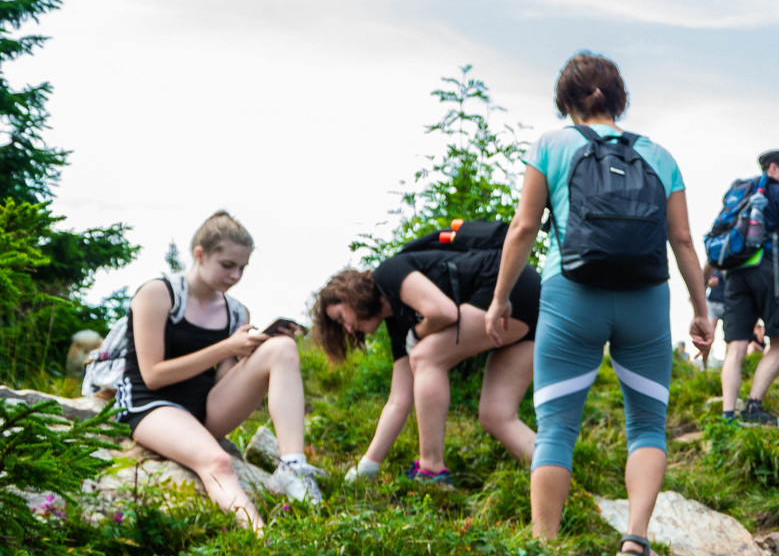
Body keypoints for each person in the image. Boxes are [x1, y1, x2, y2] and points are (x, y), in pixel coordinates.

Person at [488, 52, 715, 556]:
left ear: (566, 100)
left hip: (572, 294)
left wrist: (501, 298)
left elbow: (523, 228)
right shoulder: (660, 156)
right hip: (647, 300)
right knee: (648, 424)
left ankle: (543, 548)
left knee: (557, 426)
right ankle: (635, 537)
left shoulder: (551, 144)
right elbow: (681, 240)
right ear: (619, 99)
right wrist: (701, 312)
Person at [114, 211, 326, 528]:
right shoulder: (158, 294)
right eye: (228, 265)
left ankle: (292, 468)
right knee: (218, 461)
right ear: (199, 254)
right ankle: (262, 540)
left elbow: (225, 380)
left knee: (281, 348)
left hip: (205, 408)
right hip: (151, 404)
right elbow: (153, 375)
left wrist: (249, 354)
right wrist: (226, 347)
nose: (235, 275)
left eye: (242, 268)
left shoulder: (236, 311)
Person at [310, 232, 539, 484]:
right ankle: (564, 483)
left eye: (342, 318)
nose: (349, 329)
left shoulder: (389, 273)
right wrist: (367, 465)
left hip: (508, 286)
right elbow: (398, 400)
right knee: (497, 416)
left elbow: (443, 312)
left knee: (426, 356)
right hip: (529, 316)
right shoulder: (396, 325)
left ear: (350, 295)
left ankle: (431, 470)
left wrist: (418, 334)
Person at [719, 150, 779, 428]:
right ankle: (753, 405)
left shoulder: (741, 191)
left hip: (735, 271)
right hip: (767, 269)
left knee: (735, 345)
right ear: (773, 168)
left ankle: (727, 415)